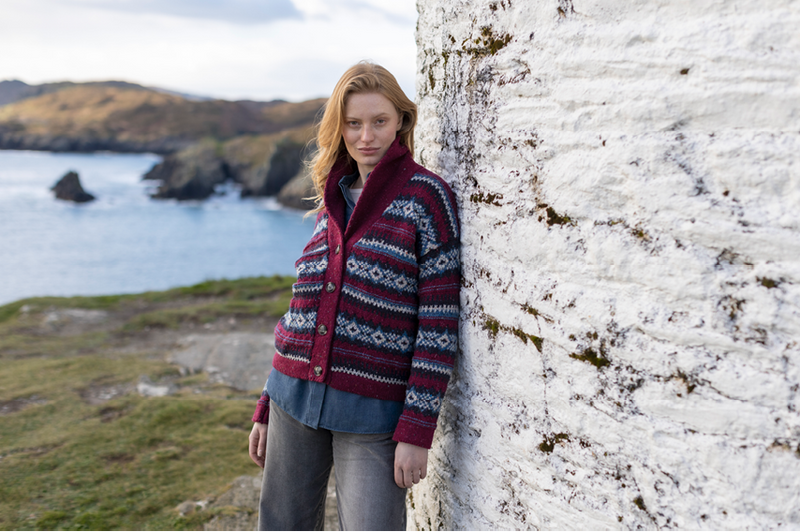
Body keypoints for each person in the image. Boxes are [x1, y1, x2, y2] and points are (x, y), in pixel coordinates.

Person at [248, 61, 460, 531]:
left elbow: (438, 325)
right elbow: (302, 310)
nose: (367, 136)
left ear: (402, 121)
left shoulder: (428, 199)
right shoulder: (333, 196)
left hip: (374, 415)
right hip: (293, 399)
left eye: (379, 121)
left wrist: (417, 430)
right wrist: (267, 402)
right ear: (339, 127)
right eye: (354, 123)